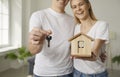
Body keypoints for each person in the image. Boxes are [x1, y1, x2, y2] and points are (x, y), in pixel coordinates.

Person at [28, 0, 75, 77]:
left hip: (67, 72)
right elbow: (33, 50)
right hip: (43, 73)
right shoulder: (38, 16)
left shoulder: (73, 20)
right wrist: (39, 41)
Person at [70, 0, 109, 77]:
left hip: (96, 74)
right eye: (74, 7)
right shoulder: (76, 27)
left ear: (88, 5)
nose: (78, 9)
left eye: (81, 4)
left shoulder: (101, 25)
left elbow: (94, 55)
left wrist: (76, 55)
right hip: (76, 72)